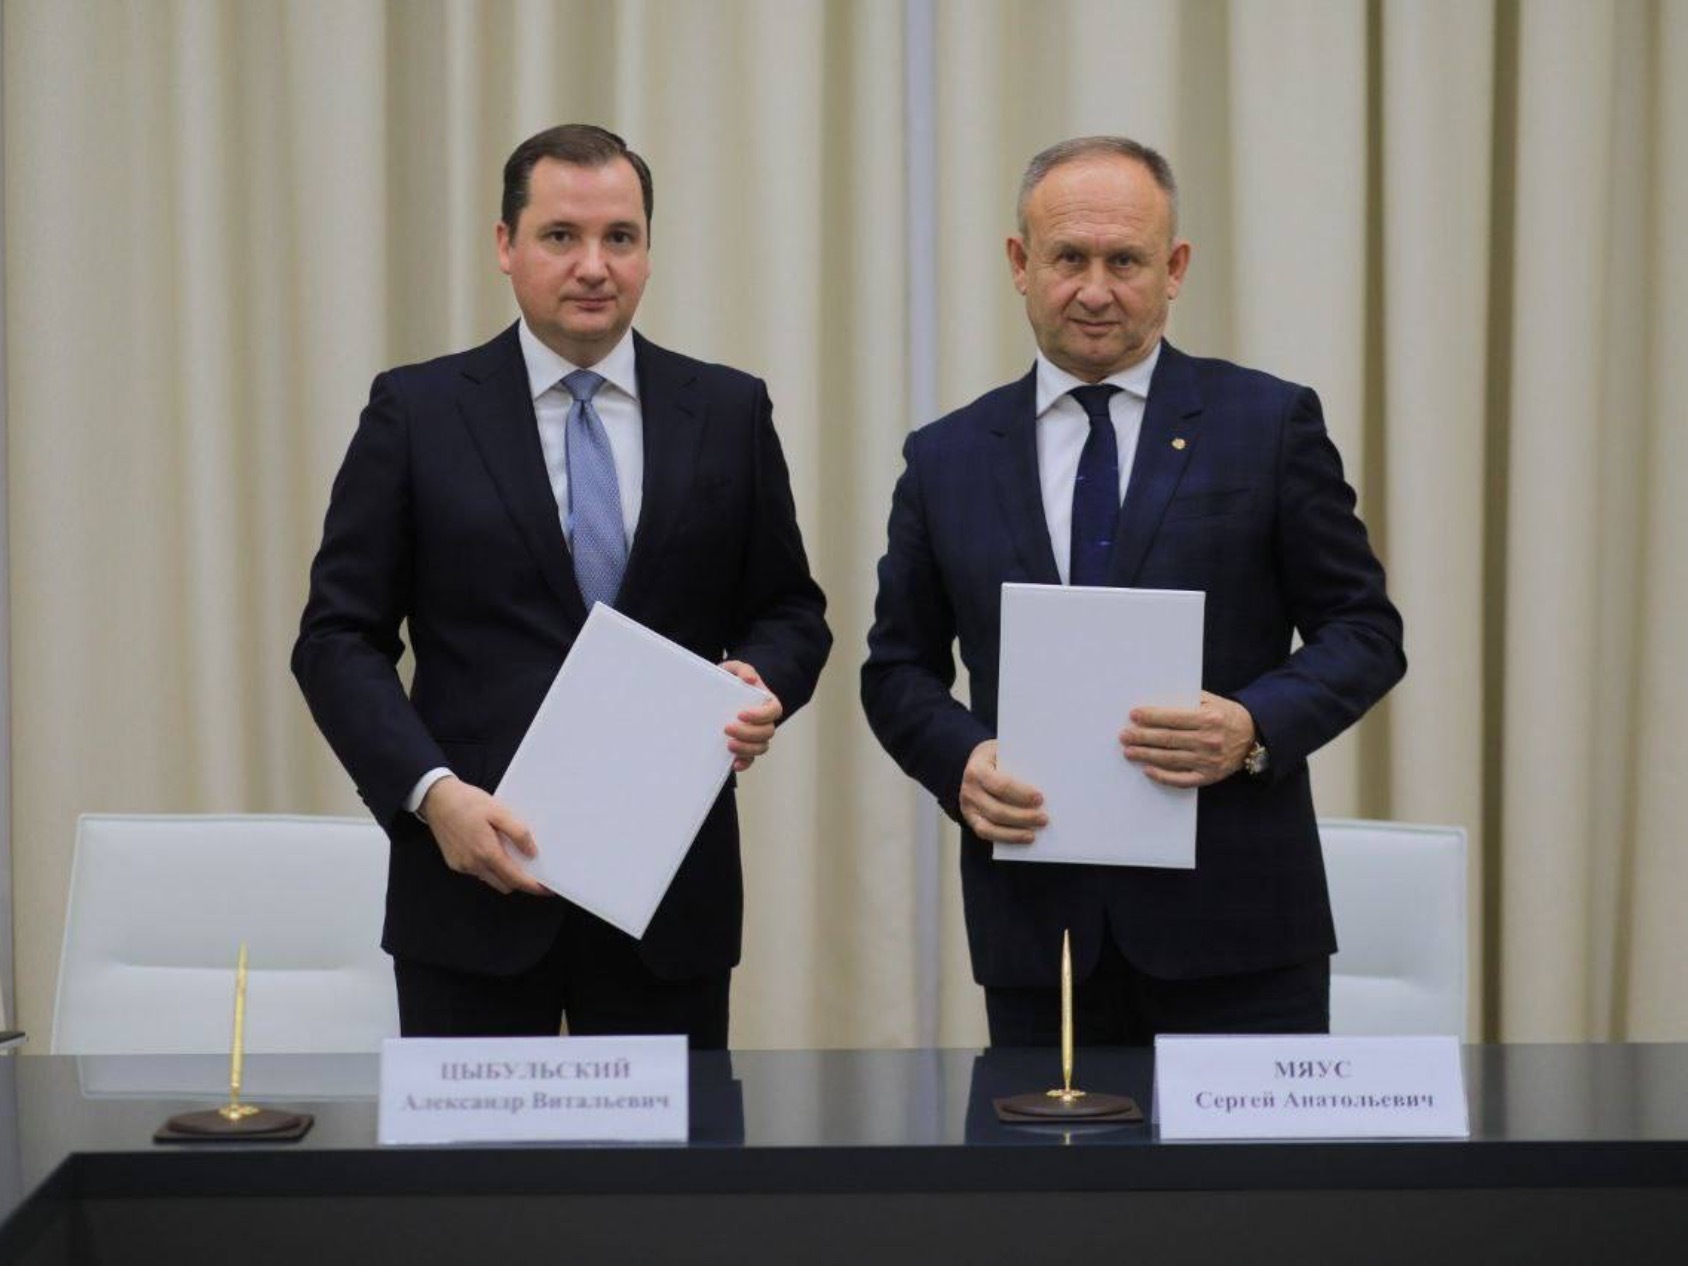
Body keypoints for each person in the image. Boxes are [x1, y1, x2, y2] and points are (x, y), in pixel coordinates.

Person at [294, 124, 830, 1047]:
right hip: (470, 884)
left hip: (668, 899)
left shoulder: (728, 410)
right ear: (506, 245)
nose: (593, 266)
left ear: (648, 251)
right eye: (560, 236)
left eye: (620, 237)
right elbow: (337, 638)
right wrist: (432, 795)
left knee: (676, 1150)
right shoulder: (418, 412)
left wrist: (762, 679)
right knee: (473, 1153)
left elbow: (789, 610)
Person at [861, 136, 1404, 1046]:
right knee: (1039, 1150)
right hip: (1040, 935)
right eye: (1068, 258)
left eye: (1125, 261)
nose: (1095, 290)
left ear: (1175, 268)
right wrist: (960, 763)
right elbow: (897, 669)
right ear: (1020, 264)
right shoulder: (945, 456)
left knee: (1245, 1156)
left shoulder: (1268, 423)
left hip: (1241, 935)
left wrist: (1254, 727)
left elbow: (1364, 631)